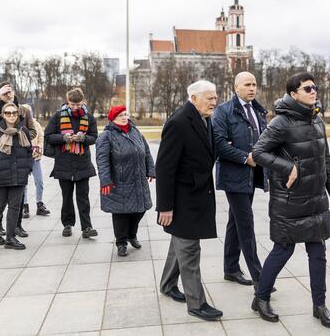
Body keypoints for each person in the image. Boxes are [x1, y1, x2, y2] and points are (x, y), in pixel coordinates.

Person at [251, 72, 330, 328]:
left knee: (318, 251)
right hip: (289, 199)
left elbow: (326, 160)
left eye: (315, 87)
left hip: (316, 199)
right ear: (294, 94)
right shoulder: (281, 122)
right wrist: (287, 167)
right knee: (283, 250)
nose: (313, 91)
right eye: (307, 88)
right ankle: (261, 297)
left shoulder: (317, 120)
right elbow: (258, 152)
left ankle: (319, 305)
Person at [156, 80, 223, 322]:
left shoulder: (205, 119)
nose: (214, 102)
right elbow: (164, 167)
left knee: (181, 244)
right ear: (193, 98)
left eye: (215, 97)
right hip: (182, 198)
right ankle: (197, 303)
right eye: (209, 98)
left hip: (198, 194)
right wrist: (165, 206)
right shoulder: (178, 123)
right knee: (190, 249)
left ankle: (167, 285)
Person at [212, 71, 268, 287]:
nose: (252, 88)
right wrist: (245, 158)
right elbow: (219, 145)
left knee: (235, 222)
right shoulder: (224, 111)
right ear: (236, 87)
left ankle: (231, 268)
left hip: (253, 175)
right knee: (246, 223)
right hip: (234, 176)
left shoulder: (258, 110)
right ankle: (259, 277)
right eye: (247, 84)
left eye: (254, 84)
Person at [96, 105, 155, 257]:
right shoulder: (106, 136)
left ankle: (131, 234)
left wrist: (151, 170)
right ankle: (121, 242)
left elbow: (146, 152)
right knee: (121, 213)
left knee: (140, 209)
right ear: (112, 119)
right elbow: (102, 161)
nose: (124, 117)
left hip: (138, 179)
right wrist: (105, 181)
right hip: (119, 181)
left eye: (125, 114)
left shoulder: (135, 131)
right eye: (120, 115)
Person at [44, 87, 99, 239]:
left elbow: (94, 137)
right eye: (72, 105)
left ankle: (87, 227)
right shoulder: (57, 117)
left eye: (78, 104)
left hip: (83, 163)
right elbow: (48, 136)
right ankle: (67, 224)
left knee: (83, 197)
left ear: (83, 102)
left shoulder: (89, 118)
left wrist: (83, 139)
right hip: (63, 163)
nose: (75, 107)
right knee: (66, 196)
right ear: (67, 102)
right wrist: (64, 138)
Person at [0, 102, 33, 250]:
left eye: (14, 113)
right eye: (8, 113)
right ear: (3, 114)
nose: (11, 116)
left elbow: (29, 151)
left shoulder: (23, 131)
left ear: (18, 115)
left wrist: (28, 167)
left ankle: (10, 238)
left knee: (15, 207)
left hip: (19, 176)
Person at [0, 82, 37, 222]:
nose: (9, 94)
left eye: (10, 91)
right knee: (0, 201)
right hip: (0, 156)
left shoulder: (23, 110)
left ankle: (17, 226)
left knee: (18, 199)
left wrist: (20, 137)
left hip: (19, 156)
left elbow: (32, 130)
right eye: (5, 92)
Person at [23, 104, 50, 216]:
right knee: (23, 184)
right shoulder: (19, 125)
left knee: (39, 182)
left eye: (30, 111)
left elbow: (41, 138)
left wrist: (38, 148)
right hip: (23, 159)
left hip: (35, 158)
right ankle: (24, 206)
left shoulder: (36, 124)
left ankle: (39, 204)